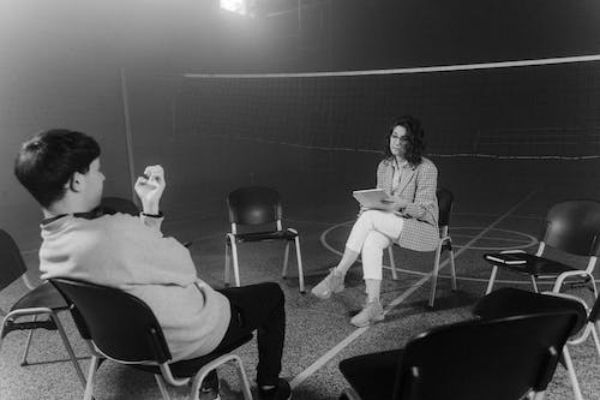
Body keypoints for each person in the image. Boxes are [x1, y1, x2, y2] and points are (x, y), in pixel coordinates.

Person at [14, 129, 291, 400]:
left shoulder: (50, 251)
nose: (103, 177)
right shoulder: (115, 231)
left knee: (196, 295)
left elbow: (135, 262)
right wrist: (144, 221)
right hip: (183, 342)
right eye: (96, 171)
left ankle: (208, 387)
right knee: (271, 295)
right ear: (77, 181)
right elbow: (185, 270)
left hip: (123, 346)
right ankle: (270, 388)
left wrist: (150, 205)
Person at [312, 116, 439, 327]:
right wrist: (369, 206)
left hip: (421, 228)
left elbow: (425, 211)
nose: (396, 142)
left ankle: (338, 274)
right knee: (370, 239)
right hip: (391, 221)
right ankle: (374, 305)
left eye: (404, 139)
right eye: (394, 136)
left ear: (413, 142)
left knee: (370, 218)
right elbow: (381, 201)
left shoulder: (426, 168)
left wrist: (401, 204)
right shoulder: (385, 166)